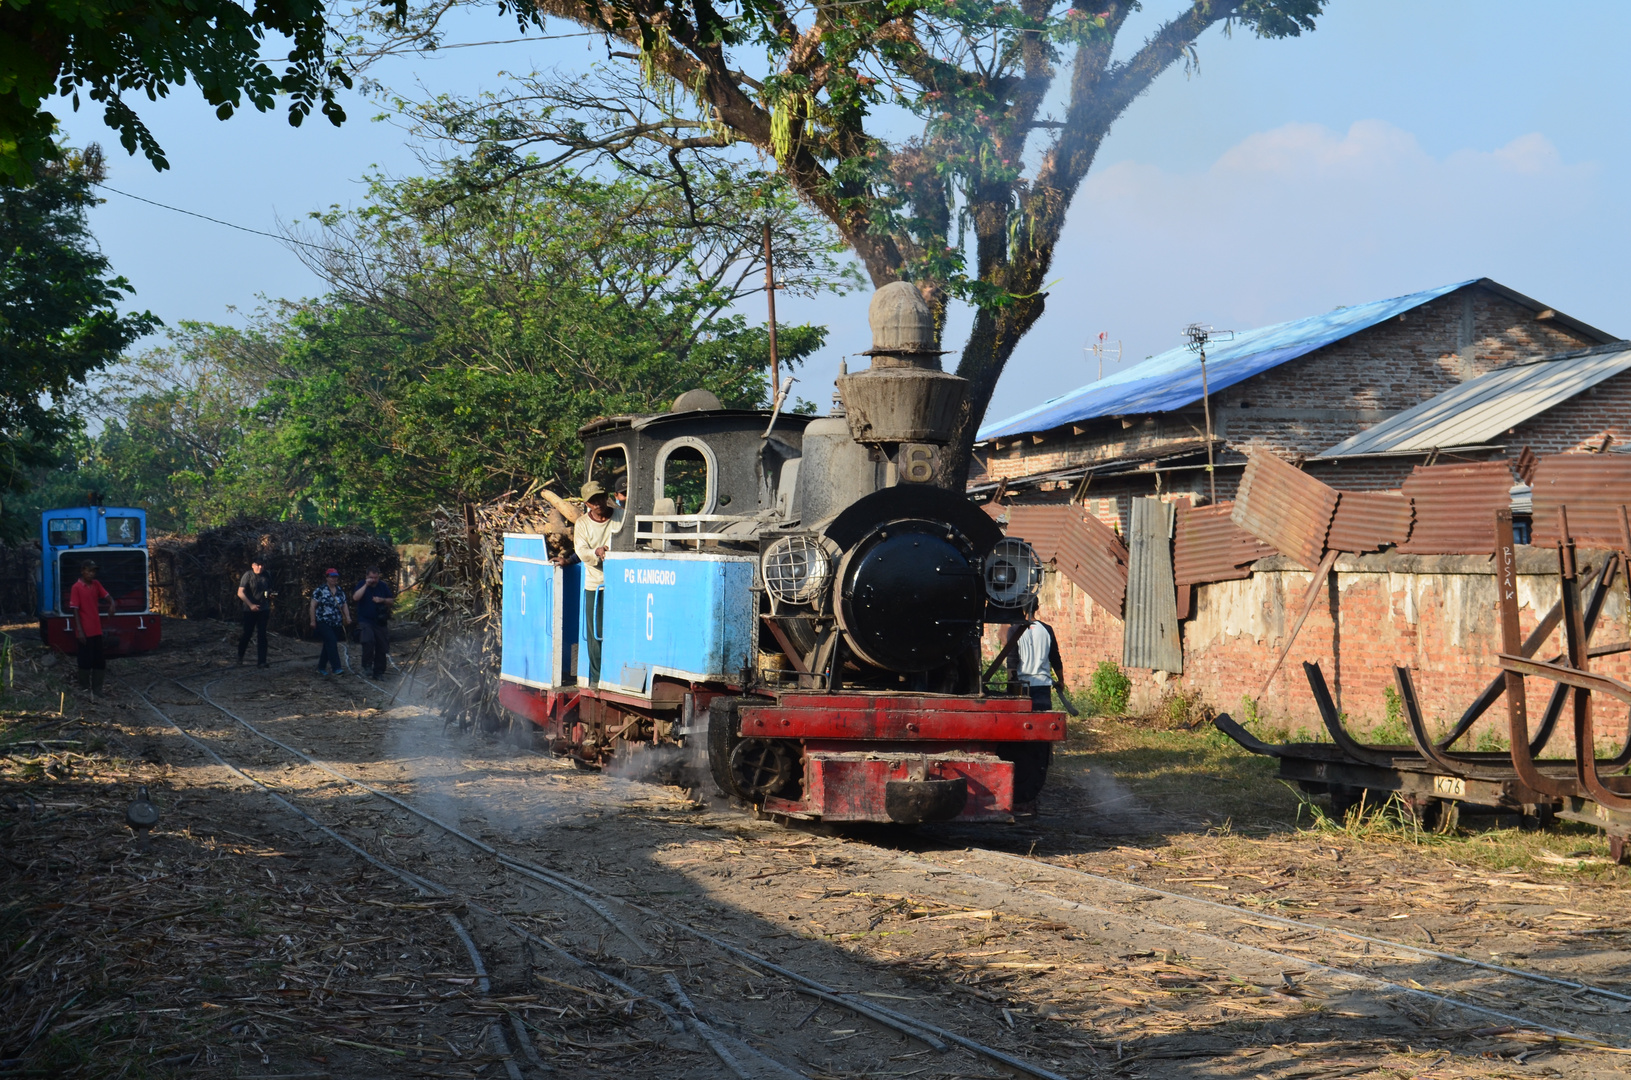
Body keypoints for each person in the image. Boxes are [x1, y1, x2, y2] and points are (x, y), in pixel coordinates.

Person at [573, 480, 618, 686]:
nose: (598, 503)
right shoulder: (582, 524)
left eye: (600, 497)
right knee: (596, 633)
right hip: (596, 583)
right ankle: (597, 678)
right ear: (587, 504)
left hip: (621, 582)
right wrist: (597, 552)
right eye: (592, 501)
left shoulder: (621, 517)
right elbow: (581, 551)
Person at [1010, 599, 1067, 712]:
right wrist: (1061, 680)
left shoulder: (1013, 630)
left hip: (1022, 686)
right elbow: (1055, 658)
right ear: (1037, 607)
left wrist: (1010, 687)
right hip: (1043, 685)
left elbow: (1011, 661)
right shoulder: (1047, 629)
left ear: (1020, 608)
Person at [69, 561, 115, 694]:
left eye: (93, 571)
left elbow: (106, 596)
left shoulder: (96, 584)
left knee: (99, 660)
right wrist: (80, 631)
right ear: (82, 571)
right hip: (84, 630)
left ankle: (97, 689)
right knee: (84, 660)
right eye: (89, 571)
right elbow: (75, 610)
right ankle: (84, 688)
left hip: (96, 630)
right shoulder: (76, 588)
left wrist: (112, 603)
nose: (91, 574)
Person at [351, 565, 396, 678]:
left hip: (380, 621)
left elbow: (391, 601)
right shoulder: (362, 584)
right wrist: (366, 585)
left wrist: (382, 600)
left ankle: (379, 671)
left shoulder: (382, 586)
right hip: (365, 620)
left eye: (376, 577)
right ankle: (366, 666)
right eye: (371, 577)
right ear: (367, 576)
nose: (374, 580)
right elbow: (355, 598)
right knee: (368, 641)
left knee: (382, 646)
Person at [309, 569, 351, 676]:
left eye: (335, 577)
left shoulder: (340, 591)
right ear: (327, 577)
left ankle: (321, 667)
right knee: (331, 641)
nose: (334, 579)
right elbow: (313, 606)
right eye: (331, 576)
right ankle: (336, 667)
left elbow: (344, 604)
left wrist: (348, 617)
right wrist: (313, 620)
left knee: (328, 644)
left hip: (336, 622)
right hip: (323, 621)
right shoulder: (320, 590)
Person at [237, 558, 272, 668]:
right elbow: (240, 592)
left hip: (263, 609)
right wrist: (251, 605)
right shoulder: (248, 575)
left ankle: (262, 661)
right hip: (249, 610)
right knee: (247, 633)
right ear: (253, 565)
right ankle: (240, 656)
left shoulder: (267, 575)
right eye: (258, 565)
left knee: (262, 634)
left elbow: (269, 590)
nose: (260, 567)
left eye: (262, 565)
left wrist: (270, 596)